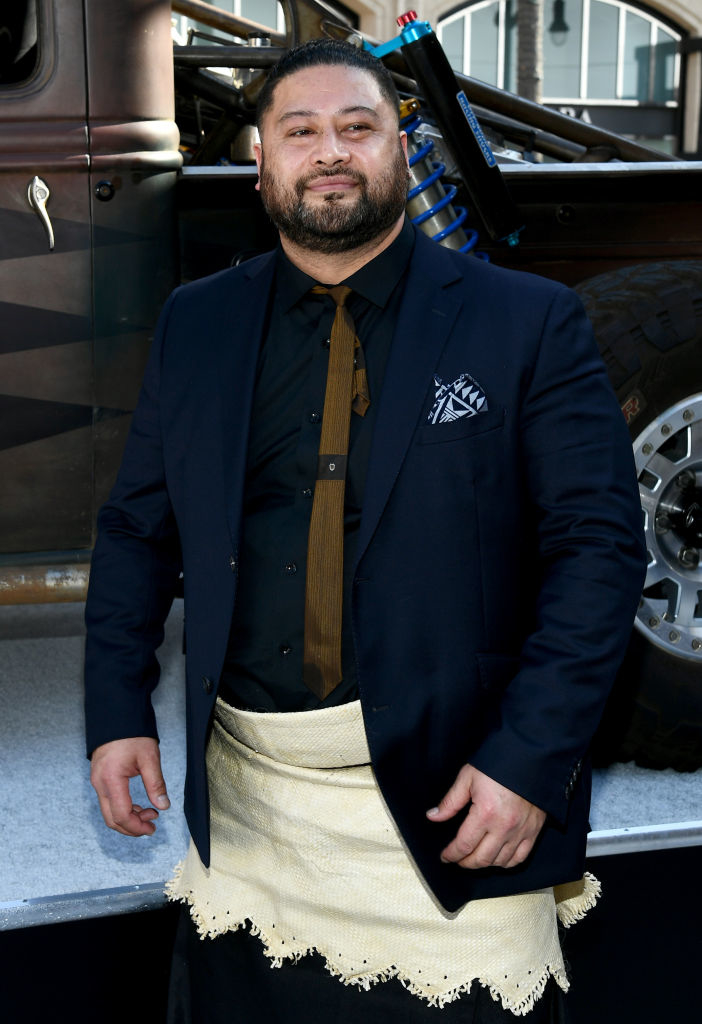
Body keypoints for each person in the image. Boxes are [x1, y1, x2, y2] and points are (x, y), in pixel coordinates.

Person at [85, 38, 646, 1023]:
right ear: (260, 158)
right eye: (300, 131)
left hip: (462, 801)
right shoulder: (196, 322)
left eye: (359, 127)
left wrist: (530, 759)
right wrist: (116, 709)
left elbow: (596, 553)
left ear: (402, 148)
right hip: (256, 813)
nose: (330, 151)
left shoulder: (529, 324)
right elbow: (138, 529)